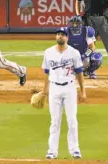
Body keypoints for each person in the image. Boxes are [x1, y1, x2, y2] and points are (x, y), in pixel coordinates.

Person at [41, 27, 86, 159]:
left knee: (72, 120)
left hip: (69, 88)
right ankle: (52, 151)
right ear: (56, 37)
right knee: (55, 121)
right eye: (58, 34)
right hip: (54, 89)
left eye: (63, 34)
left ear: (67, 37)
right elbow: (46, 72)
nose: (60, 36)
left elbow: (79, 72)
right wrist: (45, 90)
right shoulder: (48, 52)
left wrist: (83, 91)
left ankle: (75, 149)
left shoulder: (74, 53)